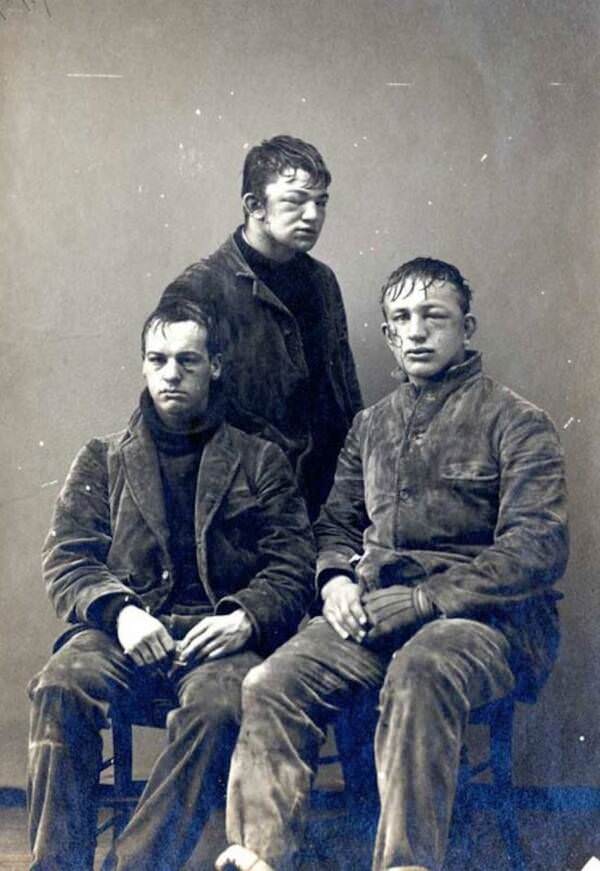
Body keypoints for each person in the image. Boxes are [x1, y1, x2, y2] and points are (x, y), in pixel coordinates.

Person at [216, 257, 569, 871]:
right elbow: (334, 526)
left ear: (468, 327)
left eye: (434, 317)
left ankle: (406, 863)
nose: (416, 331)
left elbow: (536, 548)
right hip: (372, 616)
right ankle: (257, 858)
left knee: (421, 670)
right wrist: (334, 582)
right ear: (387, 335)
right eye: (401, 318)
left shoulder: (519, 423)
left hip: (485, 626)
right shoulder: (370, 427)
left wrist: (429, 599)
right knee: (269, 682)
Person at [27, 295, 316, 871]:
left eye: (187, 360)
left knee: (219, 706)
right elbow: (67, 559)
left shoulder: (261, 460)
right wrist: (123, 613)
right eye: (157, 359)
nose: (171, 374)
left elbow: (293, 565)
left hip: (220, 641)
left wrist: (245, 617)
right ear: (142, 365)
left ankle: (132, 866)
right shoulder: (103, 457)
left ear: (216, 367)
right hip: (125, 633)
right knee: (60, 684)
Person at [160, 134, 362, 518]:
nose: (312, 215)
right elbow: (178, 414)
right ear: (254, 206)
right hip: (243, 506)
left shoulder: (323, 282)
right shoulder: (199, 290)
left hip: (327, 500)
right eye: (295, 201)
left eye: (320, 203)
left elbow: (344, 396)